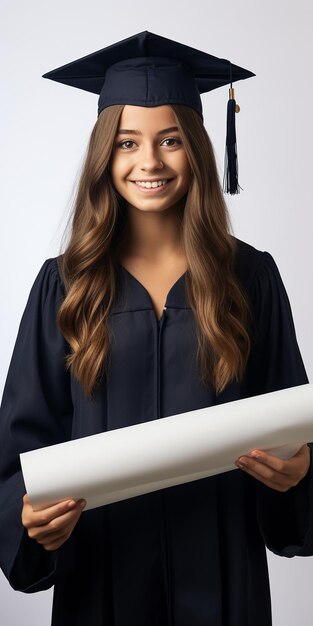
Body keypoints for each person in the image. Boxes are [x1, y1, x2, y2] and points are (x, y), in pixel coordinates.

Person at [0, 30, 312, 626]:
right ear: (103, 156)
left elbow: (293, 423)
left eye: (170, 139)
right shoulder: (64, 285)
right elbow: (21, 444)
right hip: (102, 575)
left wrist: (299, 474)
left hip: (223, 575)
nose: (149, 161)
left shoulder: (250, 276)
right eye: (126, 143)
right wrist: (28, 515)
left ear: (196, 147)